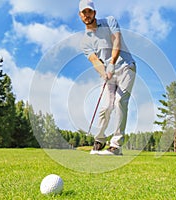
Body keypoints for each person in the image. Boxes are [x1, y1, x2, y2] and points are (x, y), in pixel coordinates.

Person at [79, 0, 136, 155]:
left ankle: (116, 146)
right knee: (105, 107)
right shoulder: (85, 41)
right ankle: (99, 140)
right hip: (108, 73)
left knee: (119, 102)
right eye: (84, 12)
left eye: (89, 11)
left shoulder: (110, 21)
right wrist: (104, 73)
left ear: (94, 13)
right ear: (80, 15)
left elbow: (116, 40)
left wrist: (112, 62)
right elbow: (94, 60)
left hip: (126, 67)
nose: (87, 15)